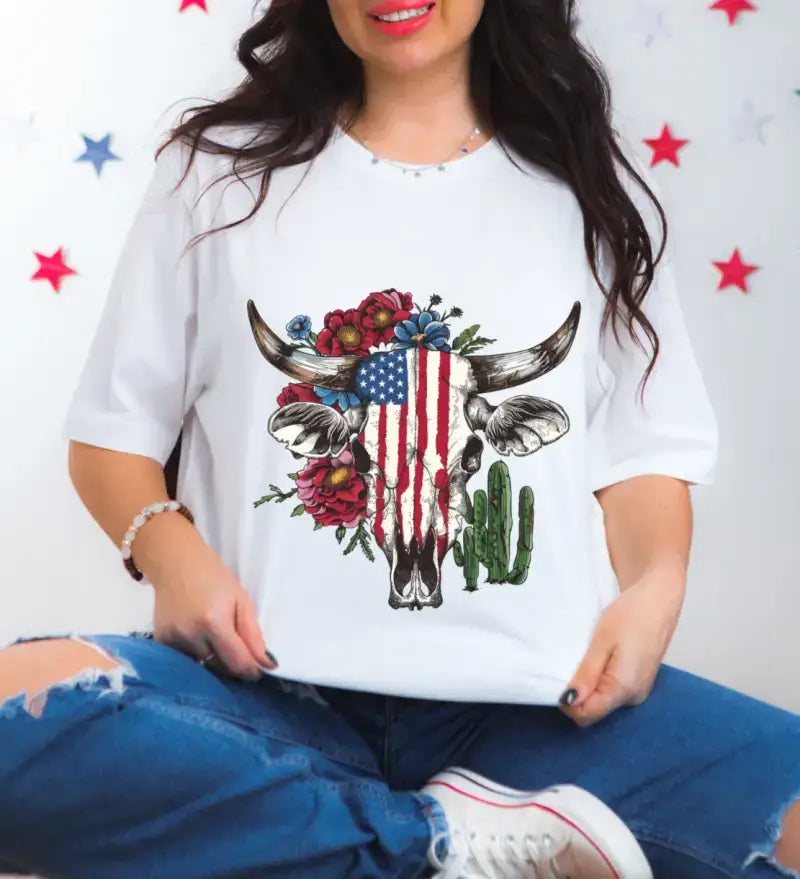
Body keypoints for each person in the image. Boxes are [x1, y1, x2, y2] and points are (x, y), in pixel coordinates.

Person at [0, 1, 798, 877]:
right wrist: (173, 554)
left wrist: (655, 588)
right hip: (260, 703)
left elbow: (644, 452)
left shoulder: (587, 188)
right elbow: (112, 436)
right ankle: (449, 847)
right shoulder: (216, 176)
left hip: (539, 714)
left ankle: (327, 839)